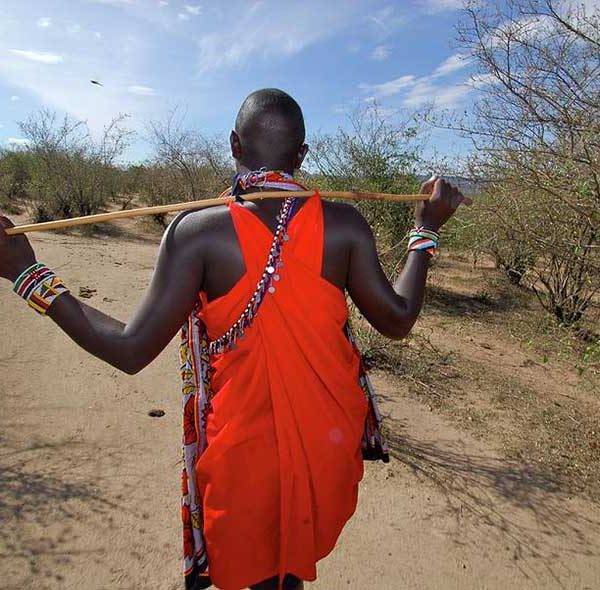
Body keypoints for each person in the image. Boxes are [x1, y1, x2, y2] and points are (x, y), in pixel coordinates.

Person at [0, 88, 465, 590]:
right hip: (327, 441)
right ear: (302, 155)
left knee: (261, 564)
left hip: (242, 453)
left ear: (233, 145)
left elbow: (130, 349)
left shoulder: (195, 232)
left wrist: (27, 274)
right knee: (289, 566)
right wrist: (426, 231)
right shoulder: (345, 225)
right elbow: (397, 320)